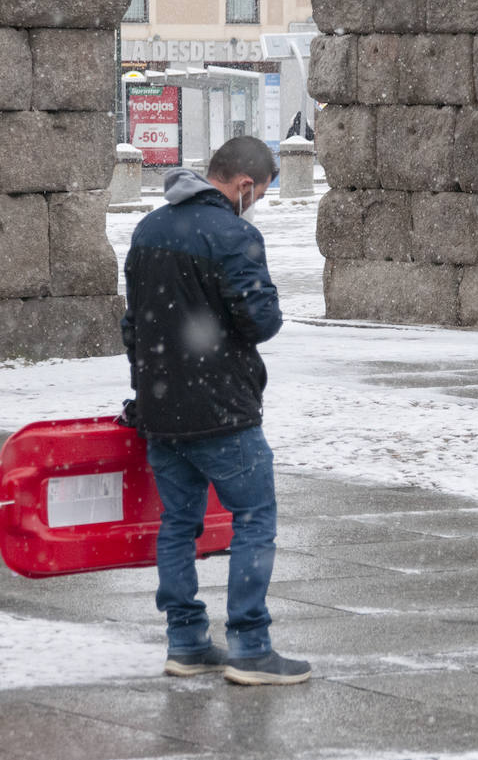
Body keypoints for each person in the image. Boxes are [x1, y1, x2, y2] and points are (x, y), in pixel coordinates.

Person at [120, 136, 311, 686]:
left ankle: (186, 642)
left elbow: (134, 327)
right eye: (260, 193)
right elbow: (262, 322)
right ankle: (250, 647)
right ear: (245, 185)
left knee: (178, 523)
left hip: (159, 410)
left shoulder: (148, 229)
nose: (256, 203)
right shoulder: (234, 234)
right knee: (255, 518)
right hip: (222, 410)